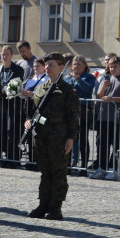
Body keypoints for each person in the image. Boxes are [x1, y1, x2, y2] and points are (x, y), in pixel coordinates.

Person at [24, 52, 79, 219]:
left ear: (61, 67)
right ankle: (43, 204)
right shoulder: (41, 87)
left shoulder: (67, 90)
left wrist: (70, 138)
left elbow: (73, 116)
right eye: (46, 64)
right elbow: (32, 109)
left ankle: (55, 207)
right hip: (41, 136)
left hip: (58, 137)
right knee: (45, 172)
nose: (47, 67)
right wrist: (27, 120)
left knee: (58, 172)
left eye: (52, 65)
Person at [94, 56, 120, 178]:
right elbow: (99, 96)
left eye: (115, 66)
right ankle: (102, 168)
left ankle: (114, 169)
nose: (112, 69)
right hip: (104, 116)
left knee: (116, 145)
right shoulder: (106, 79)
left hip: (119, 118)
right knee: (102, 144)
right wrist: (103, 88)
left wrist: (112, 99)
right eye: (110, 66)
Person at [0, 46, 25, 168]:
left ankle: (14, 158)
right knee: (1, 131)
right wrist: (1, 91)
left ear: (11, 55)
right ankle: (2, 157)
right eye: (3, 54)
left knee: (12, 132)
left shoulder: (18, 69)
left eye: (7, 54)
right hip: (1, 105)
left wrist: (1, 91)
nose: (4, 56)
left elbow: (15, 88)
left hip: (13, 106)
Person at [65, 55, 96, 176]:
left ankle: (83, 167)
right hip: (69, 111)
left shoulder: (89, 77)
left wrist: (78, 79)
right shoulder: (68, 78)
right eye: (74, 64)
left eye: (78, 64)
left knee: (83, 138)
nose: (76, 66)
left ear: (85, 65)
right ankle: (68, 165)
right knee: (69, 137)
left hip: (82, 110)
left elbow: (89, 90)